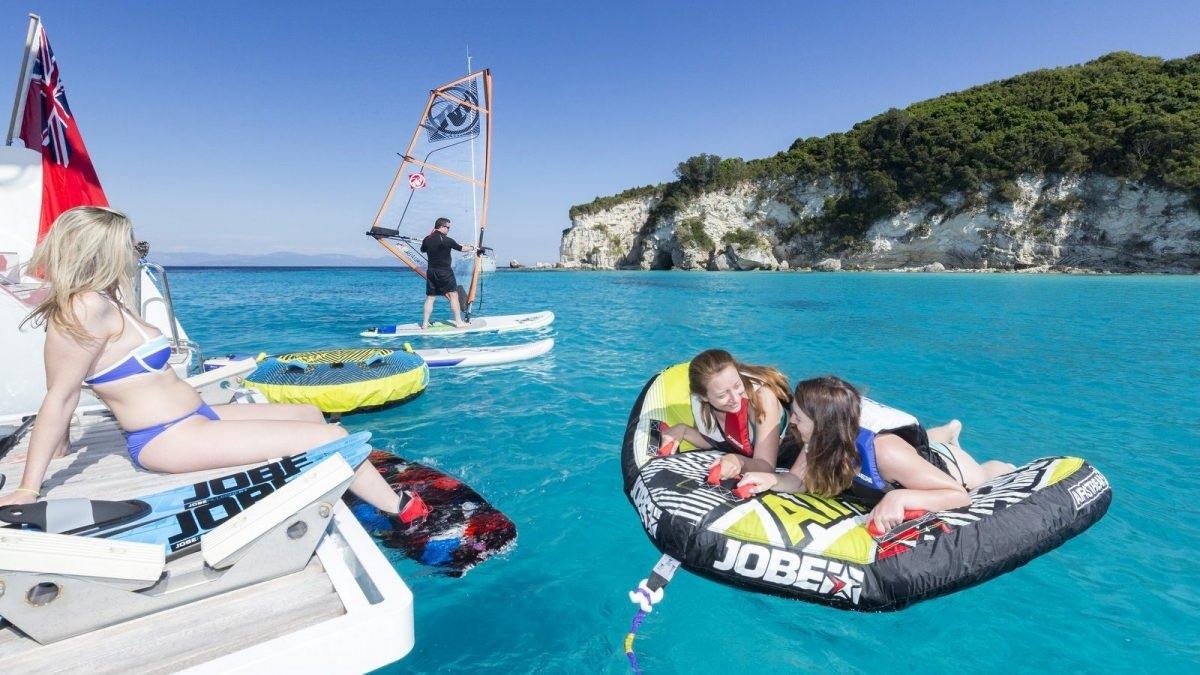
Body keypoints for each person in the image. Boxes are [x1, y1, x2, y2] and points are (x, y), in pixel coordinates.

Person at [0, 206, 429, 529]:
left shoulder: (107, 297)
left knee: (310, 413)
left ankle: (342, 478)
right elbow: (60, 394)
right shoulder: (82, 308)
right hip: (166, 438)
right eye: (130, 245)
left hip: (195, 417)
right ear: (102, 251)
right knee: (335, 436)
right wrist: (29, 487)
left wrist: (65, 442)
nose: (137, 252)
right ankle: (401, 513)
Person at [738, 375, 1015, 531]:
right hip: (907, 461)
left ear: (822, 424)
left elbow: (959, 495)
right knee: (912, 453)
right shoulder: (817, 439)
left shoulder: (883, 451)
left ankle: (975, 453)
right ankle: (946, 431)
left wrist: (899, 496)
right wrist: (772, 480)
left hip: (950, 469)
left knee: (985, 474)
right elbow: (797, 481)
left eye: (798, 416)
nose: (792, 422)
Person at [660, 349, 792, 480]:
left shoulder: (762, 399)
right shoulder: (700, 402)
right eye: (722, 395)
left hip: (790, 455)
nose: (735, 399)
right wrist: (683, 430)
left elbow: (767, 467)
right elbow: (714, 440)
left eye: (737, 385)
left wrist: (738, 461)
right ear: (704, 397)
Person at [419, 217, 475, 329]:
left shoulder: (427, 239)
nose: (449, 230)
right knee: (454, 296)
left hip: (431, 272)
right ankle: (458, 322)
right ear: (442, 226)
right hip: (445, 272)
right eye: (448, 227)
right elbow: (461, 248)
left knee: (430, 297)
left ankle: (425, 324)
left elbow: (423, 250)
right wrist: (473, 247)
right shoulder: (447, 240)